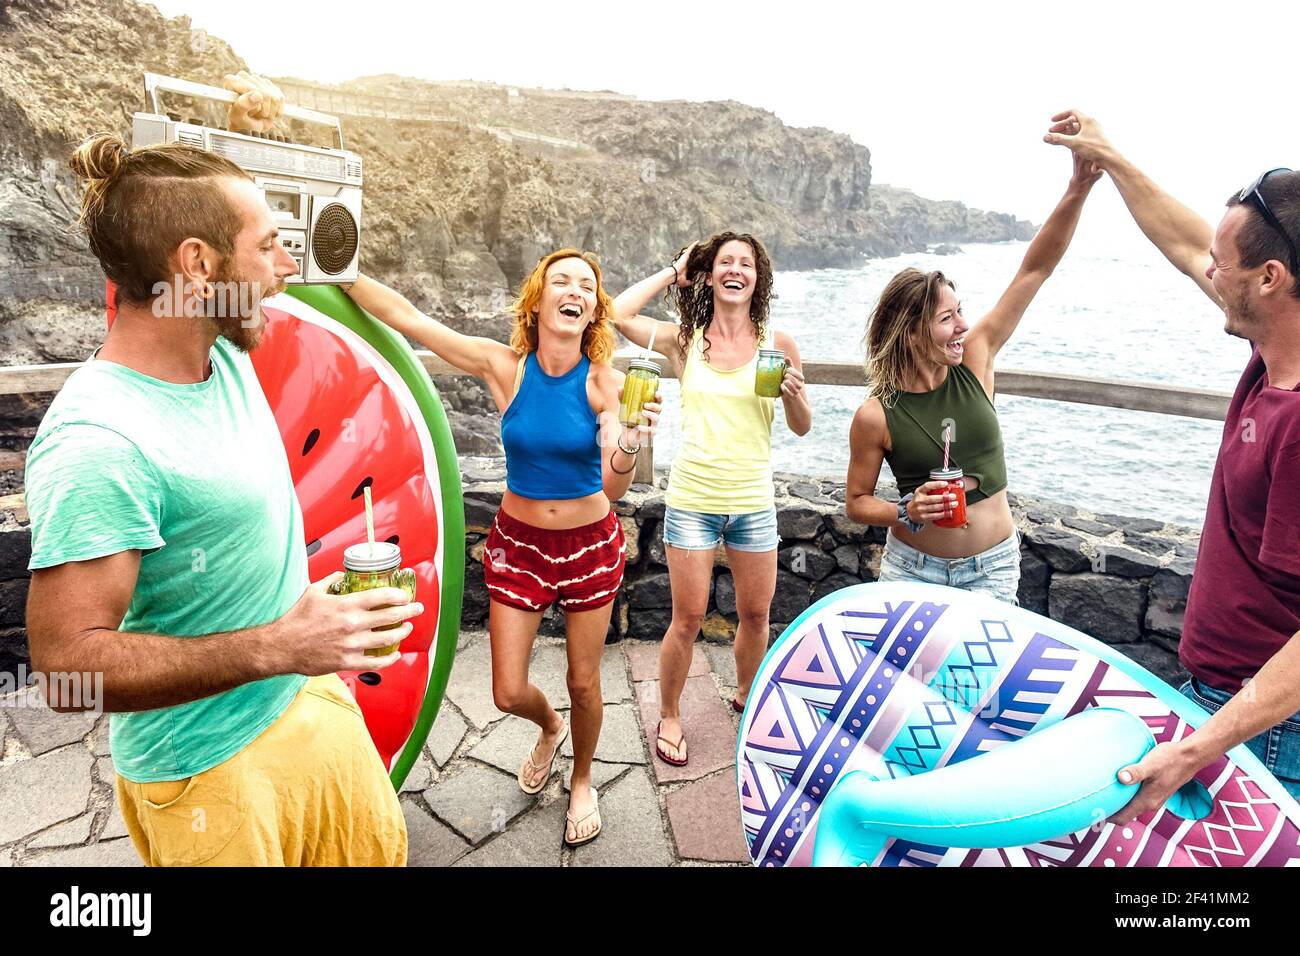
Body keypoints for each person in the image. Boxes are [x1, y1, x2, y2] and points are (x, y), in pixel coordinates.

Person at [24, 74, 419, 866]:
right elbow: (67, 674)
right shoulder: (100, 440)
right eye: (268, 245)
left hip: (309, 699)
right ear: (197, 265)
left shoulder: (224, 351)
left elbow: (184, 215)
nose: (285, 268)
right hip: (209, 774)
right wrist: (278, 645)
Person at [343, 249, 660, 845]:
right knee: (507, 690)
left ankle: (584, 779)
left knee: (585, 681)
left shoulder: (608, 383)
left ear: (593, 309)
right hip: (518, 546)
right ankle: (549, 728)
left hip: (591, 545)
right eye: (561, 280)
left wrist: (629, 441)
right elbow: (412, 320)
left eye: (587, 286)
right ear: (537, 300)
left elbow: (615, 486)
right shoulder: (505, 367)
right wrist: (341, 272)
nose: (575, 290)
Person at [1046, 110, 1300, 811]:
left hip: (1269, 729)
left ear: (1271, 279)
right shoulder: (1273, 352)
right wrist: (1110, 159)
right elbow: (1186, 242)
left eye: (1226, 264)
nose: (1207, 269)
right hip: (1228, 707)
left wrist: (1197, 748)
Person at [844, 153, 1101, 603]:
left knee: (986, 677)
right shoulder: (875, 415)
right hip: (913, 570)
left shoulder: (975, 359)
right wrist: (905, 509)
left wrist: (1078, 189)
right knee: (913, 675)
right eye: (948, 318)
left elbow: (1034, 271)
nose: (963, 325)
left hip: (993, 570)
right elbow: (857, 502)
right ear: (910, 331)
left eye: (960, 311)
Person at [612, 232, 811, 766]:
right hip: (694, 499)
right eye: (726, 262)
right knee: (687, 618)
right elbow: (617, 313)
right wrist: (672, 270)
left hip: (752, 501)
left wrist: (794, 398)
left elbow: (801, 426)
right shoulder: (685, 339)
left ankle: (748, 700)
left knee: (755, 613)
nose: (736, 270)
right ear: (710, 274)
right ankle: (670, 715)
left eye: (746, 264)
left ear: (757, 278)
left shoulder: (777, 343)